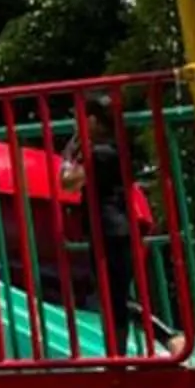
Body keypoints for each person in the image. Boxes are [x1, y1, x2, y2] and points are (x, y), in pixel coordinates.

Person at [60, 137, 155, 353]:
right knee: (114, 298)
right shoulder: (117, 148)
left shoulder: (100, 152)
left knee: (115, 298)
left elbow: (68, 182)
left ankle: (168, 337)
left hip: (107, 231)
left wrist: (67, 157)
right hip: (118, 228)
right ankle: (118, 355)